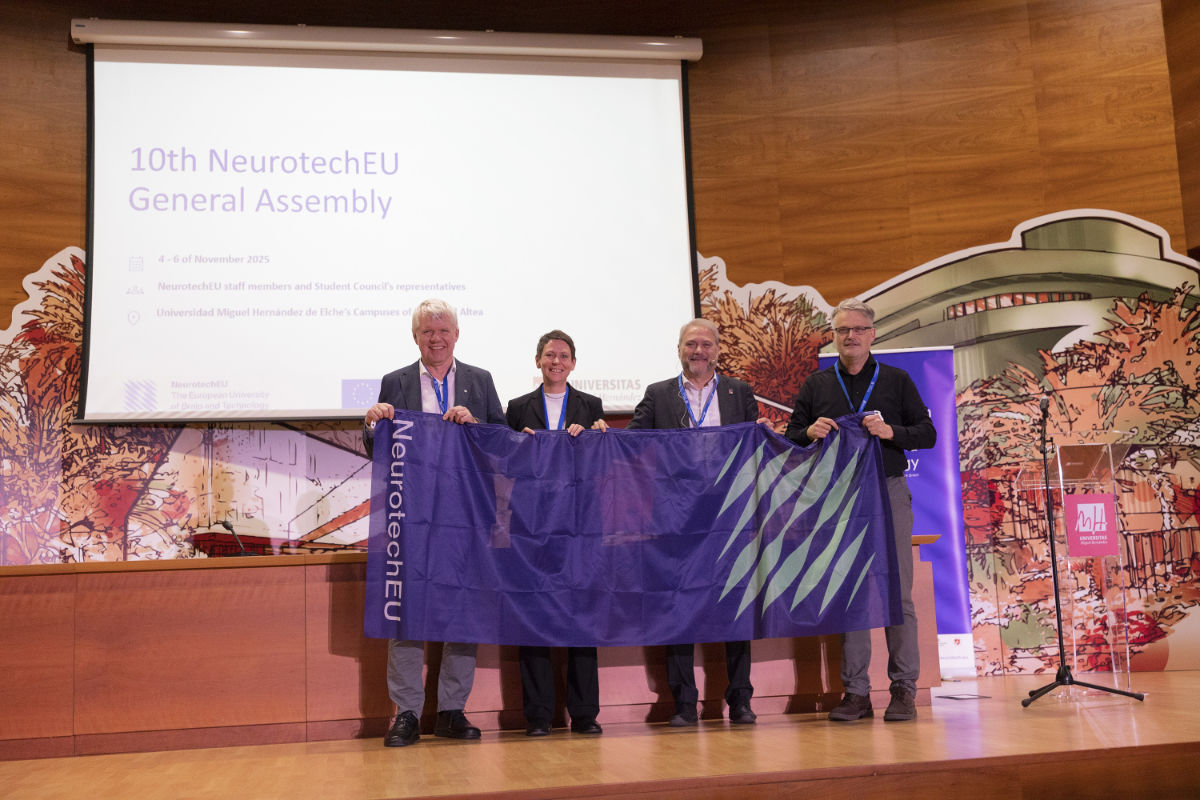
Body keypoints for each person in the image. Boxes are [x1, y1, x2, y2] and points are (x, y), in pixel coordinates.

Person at [785, 298, 936, 722]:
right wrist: (808, 432)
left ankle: (904, 689)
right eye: (842, 330)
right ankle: (856, 692)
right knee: (850, 593)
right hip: (839, 497)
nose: (850, 336)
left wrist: (891, 432)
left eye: (857, 329)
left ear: (872, 334)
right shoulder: (817, 385)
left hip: (887, 489)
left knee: (898, 593)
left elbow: (927, 434)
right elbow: (791, 436)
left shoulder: (896, 379)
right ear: (834, 337)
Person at [363, 298, 505, 747]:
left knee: (463, 612)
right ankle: (406, 713)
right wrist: (372, 426)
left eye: (443, 330)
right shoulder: (396, 381)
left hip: (466, 516)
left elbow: (501, 446)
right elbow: (379, 450)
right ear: (416, 337)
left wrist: (475, 424)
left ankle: (451, 711)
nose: (436, 338)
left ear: (457, 335)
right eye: (427, 331)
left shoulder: (480, 380)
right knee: (407, 611)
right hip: (411, 517)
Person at [627, 317, 767, 727]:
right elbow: (631, 441)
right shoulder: (659, 394)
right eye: (691, 344)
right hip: (676, 517)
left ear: (717, 351)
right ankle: (684, 703)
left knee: (736, 605)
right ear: (679, 350)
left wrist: (763, 433)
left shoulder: (739, 392)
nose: (698, 351)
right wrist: (602, 433)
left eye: (706, 344)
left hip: (730, 515)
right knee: (678, 606)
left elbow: (754, 447)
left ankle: (740, 700)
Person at [506, 329, 609, 737]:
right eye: (550, 355)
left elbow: (600, 465)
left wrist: (598, 438)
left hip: (579, 526)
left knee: (581, 617)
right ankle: (538, 715)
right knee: (533, 619)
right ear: (538, 361)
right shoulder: (517, 408)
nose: (556, 362)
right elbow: (504, 463)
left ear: (573, 363)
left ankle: (584, 714)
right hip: (530, 528)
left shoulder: (591, 406)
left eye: (564, 356)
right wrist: (518, 445)